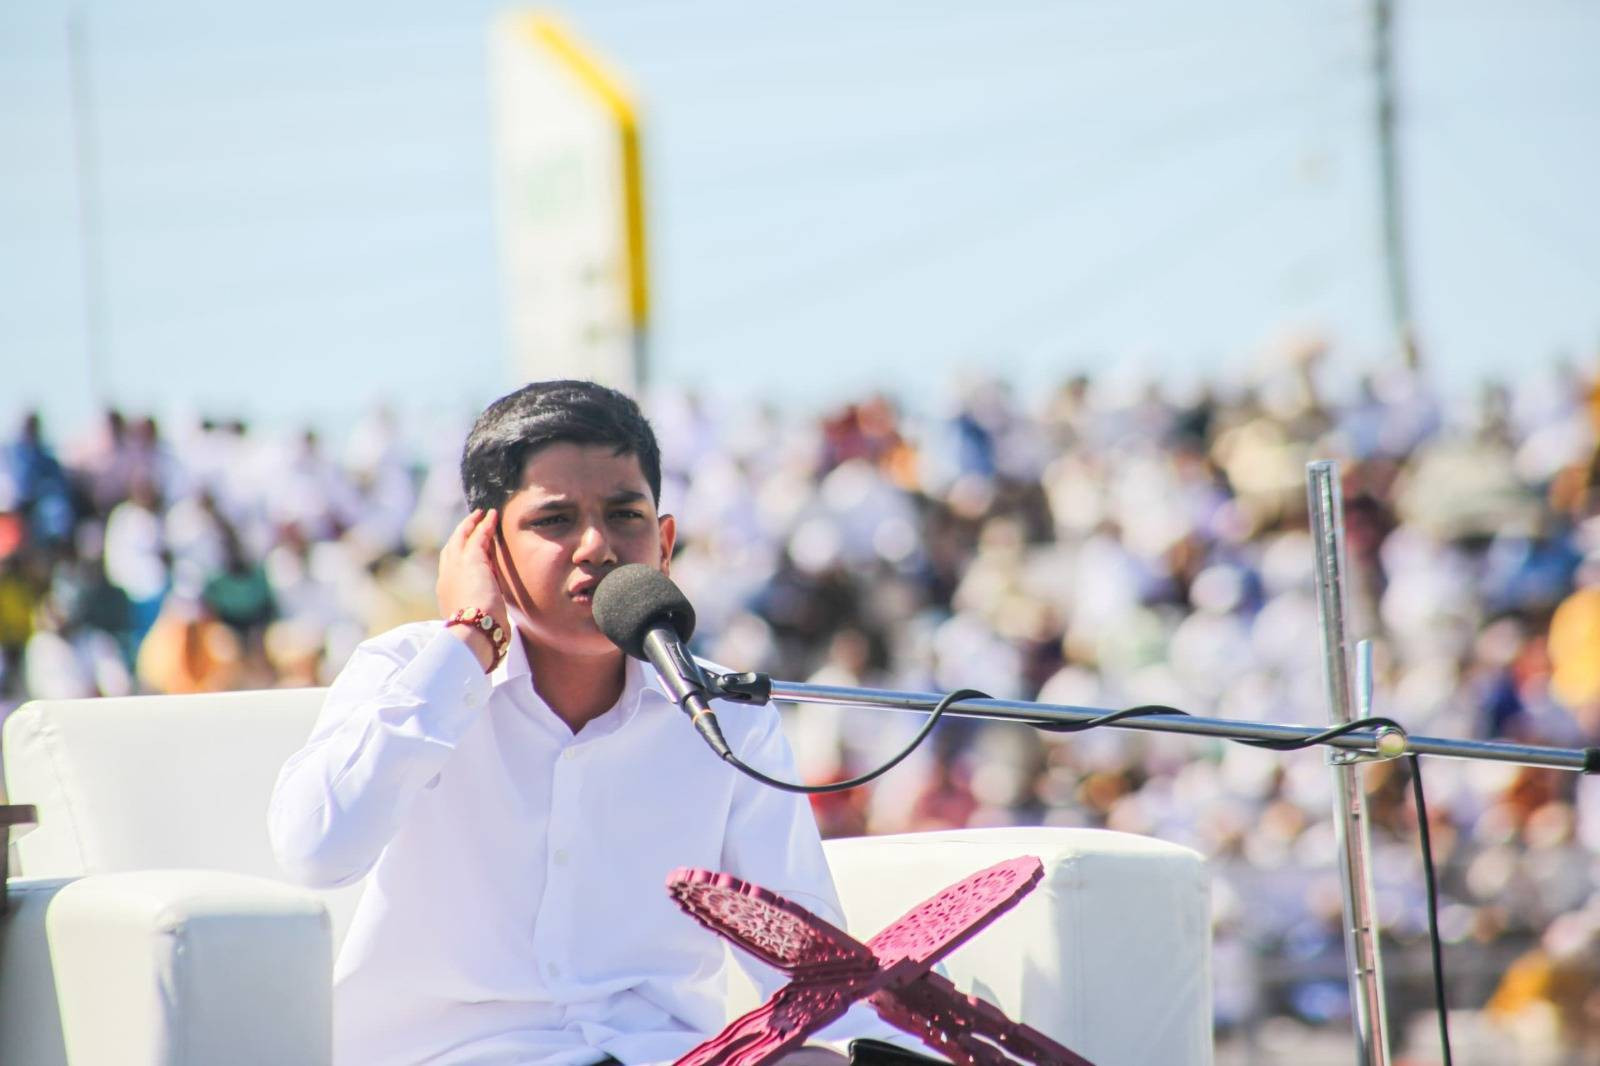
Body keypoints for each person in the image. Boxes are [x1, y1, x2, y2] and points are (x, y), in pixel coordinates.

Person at [268, 381, 899, 1066]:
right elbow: (317, 852)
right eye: (555, 520)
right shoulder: (408, 673)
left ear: (664, 544)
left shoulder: (727, 713)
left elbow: (806, 968)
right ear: (483, 548)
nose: (596, 546)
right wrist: (470, 641)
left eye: (625, 516)